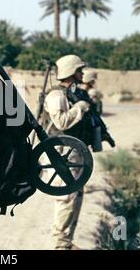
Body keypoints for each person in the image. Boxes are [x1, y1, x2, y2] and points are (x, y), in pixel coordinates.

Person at [44, 55, 91, 250]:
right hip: (61, 156)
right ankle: (60, 245)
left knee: (75, 197)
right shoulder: (57, 96)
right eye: (79, 70)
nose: (82, 74)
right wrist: (80, 108)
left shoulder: (72, 93)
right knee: (66, 199)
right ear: (71, 72)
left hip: (73, 154)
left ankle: (66, 242)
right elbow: (61, 122)